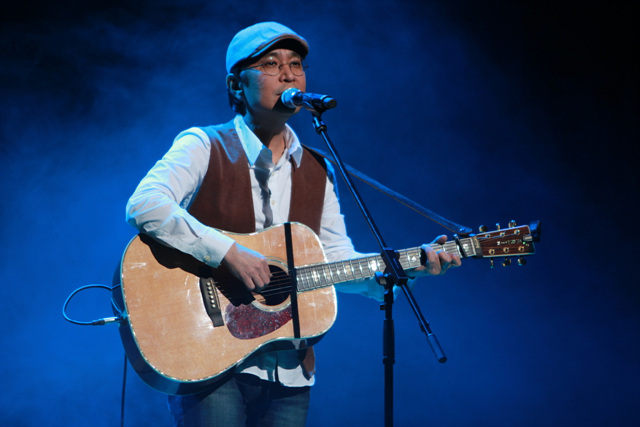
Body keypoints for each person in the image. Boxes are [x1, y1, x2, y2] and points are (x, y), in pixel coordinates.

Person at [125, 21, 461, 427]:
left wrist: (406, 268)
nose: (288, 74)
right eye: (271, 64)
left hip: (290, 369)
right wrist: (228, 252)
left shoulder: (319, 169)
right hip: (209, 354)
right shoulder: (203, 145)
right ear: (236, 85)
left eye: (296, 64)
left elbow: (334, 260)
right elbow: (146, 205)